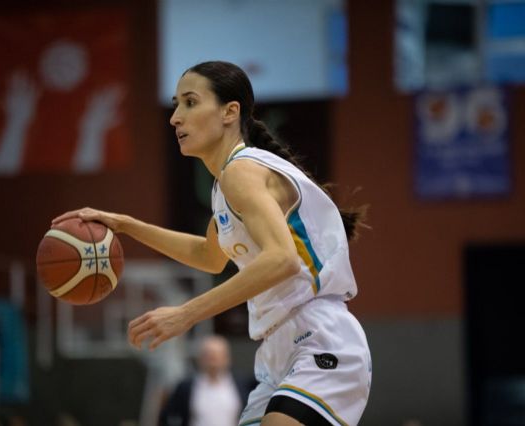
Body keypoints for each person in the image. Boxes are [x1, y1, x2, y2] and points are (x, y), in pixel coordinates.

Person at [53, 60, 372, 425]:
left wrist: (185, 314)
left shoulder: (242, 171)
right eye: (176, 104)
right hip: (277, 350)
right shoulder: (225, 185)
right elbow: (208, 256)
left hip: (320, 338)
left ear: (229, 112)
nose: (175, 117)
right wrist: (125, 225)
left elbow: (282, 259)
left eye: (190, 102)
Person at [158, 335, 256, 426]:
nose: (213, 360)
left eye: (217, 355)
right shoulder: (186, 387)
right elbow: (168, 416)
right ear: (200, 358)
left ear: (227, 358)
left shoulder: (243, 384)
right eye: (208, 355)